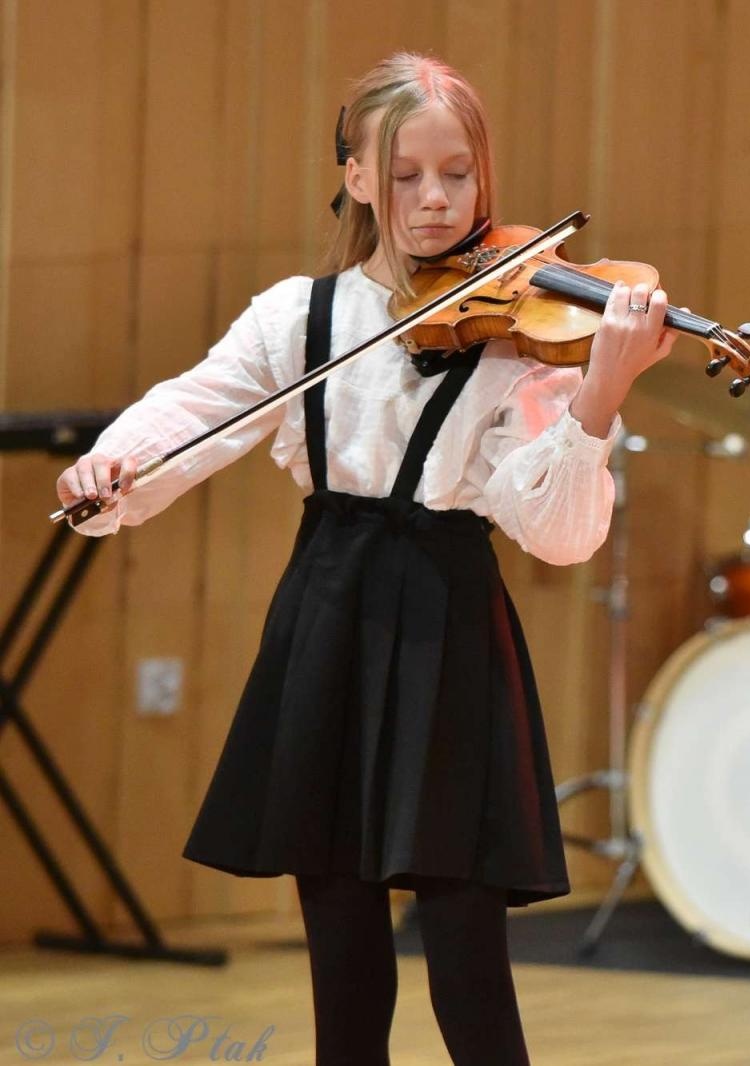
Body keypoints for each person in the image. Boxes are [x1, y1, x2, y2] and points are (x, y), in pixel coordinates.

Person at [55, 53, 675, 1065]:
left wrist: (600, 394)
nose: (435, 200)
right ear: (356, 178)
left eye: (458, 175)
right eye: (405, 175)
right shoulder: (297, 318)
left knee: (470, 965)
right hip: (328, 617)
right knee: (343, 970)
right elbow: (193, 409)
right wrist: (110, 468)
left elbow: (560, 534)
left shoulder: (518, 338)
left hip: (450, 631)